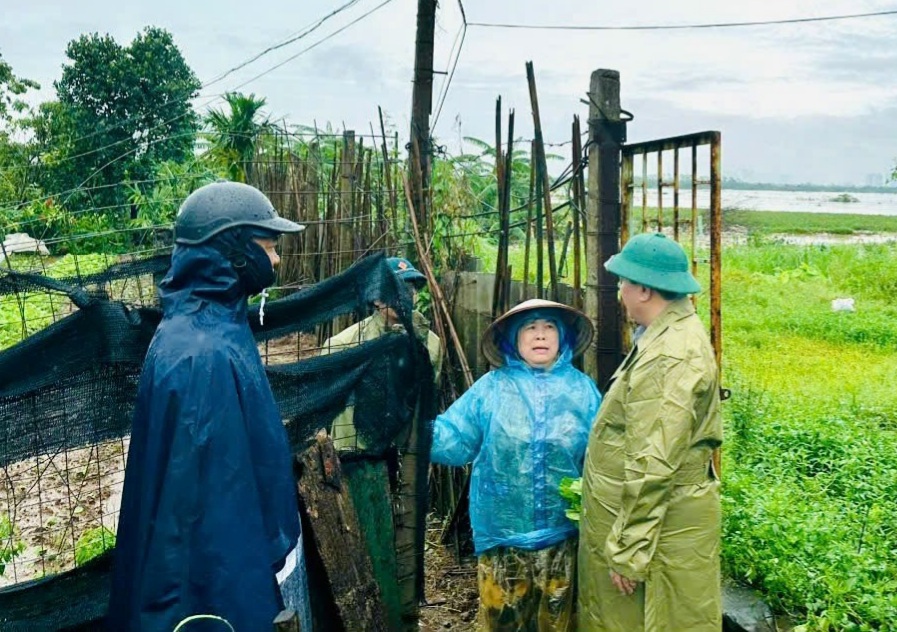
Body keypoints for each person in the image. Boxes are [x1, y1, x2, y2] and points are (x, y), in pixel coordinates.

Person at [107, 181, 309, 632]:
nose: (276, 260)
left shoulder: (213, 326)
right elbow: (207, 521)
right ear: (233, 250)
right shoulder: (203, 355)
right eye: (269, 247)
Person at [577, 232, 723, 632]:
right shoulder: (666, 336)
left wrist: (629, 549)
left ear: (643, 289)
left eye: (623, 282)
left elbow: (653, 459)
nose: (619, 291)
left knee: (644, 619)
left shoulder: (668, 356)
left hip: (659, 528)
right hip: (656, 519)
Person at [431, 298, 601, 632]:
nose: (541, 336)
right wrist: (415, 428)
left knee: (560, 624)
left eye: (549, 327)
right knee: (504, 624)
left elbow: (604, 454)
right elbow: (454, 438)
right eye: (530, 328)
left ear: (563, 337)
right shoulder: (491, 389)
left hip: (564, 538)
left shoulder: (583, 391)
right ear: (514, 338)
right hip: (504, 540)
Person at [321, 256, 442, 451]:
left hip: (407, 449)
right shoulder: (343, 345)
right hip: (355, 455)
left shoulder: (431, 344)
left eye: (409, 289)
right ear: (376, 298)